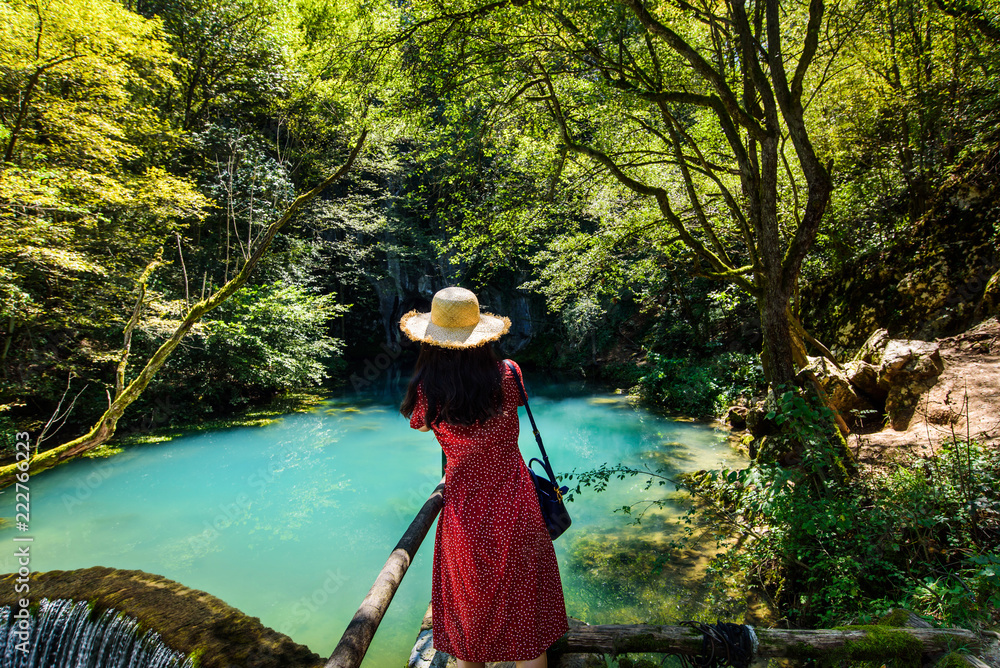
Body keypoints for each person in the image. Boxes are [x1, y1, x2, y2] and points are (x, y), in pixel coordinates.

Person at [400, 286, 568, 668]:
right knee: (526, 611)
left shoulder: (429, 390)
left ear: (432, 340)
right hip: (516, 500)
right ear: (483, 334)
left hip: (465, 509)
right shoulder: (510, 373)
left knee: (470, 613)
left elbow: (421, 426)